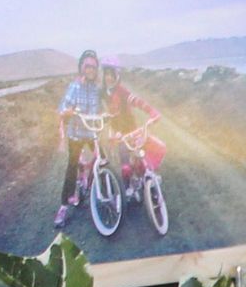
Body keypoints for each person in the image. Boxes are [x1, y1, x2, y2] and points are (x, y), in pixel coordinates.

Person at [53, 49, 106, 228]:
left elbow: (101, 108)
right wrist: (67, 111)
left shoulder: (96, 89)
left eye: (93, 66)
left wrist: (106, 114)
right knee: (72, 166)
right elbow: (63, 107)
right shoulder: (74, 86)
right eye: (87, 66)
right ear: (82, 68)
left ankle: (98, 189)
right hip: (76, 134)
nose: (90, 69)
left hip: (91, 132)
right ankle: (63, 206)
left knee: (102, 160)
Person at [101, 65, 165, 202]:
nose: (108, 77)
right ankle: (128, 189)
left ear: (117, 76)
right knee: (125, 167)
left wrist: (151, 112)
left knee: (143, 160)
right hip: (119, 135)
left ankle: (152, 189)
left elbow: (137, 101)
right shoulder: (105, 93)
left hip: (132, 131)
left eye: (111, 74)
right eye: (106, 74)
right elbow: (105, 114)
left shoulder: (122, 91)